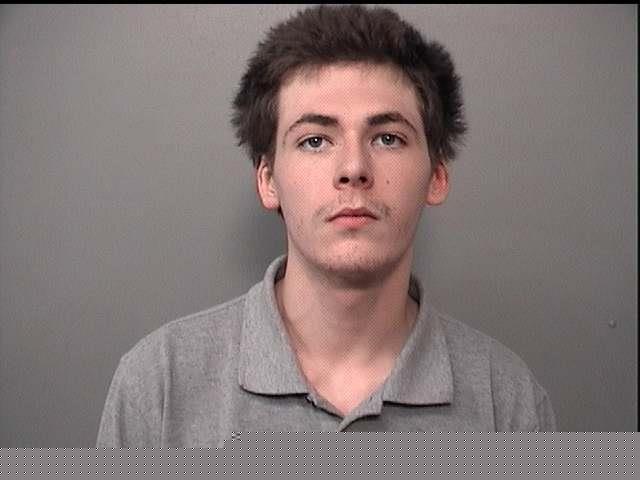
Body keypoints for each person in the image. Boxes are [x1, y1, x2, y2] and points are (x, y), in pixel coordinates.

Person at [97, 4, 555, 447]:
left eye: (388, 138)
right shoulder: (158, 388)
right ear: (268, 181)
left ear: (436, 175)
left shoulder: (508, 403)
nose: (353, 168)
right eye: (315, 141)